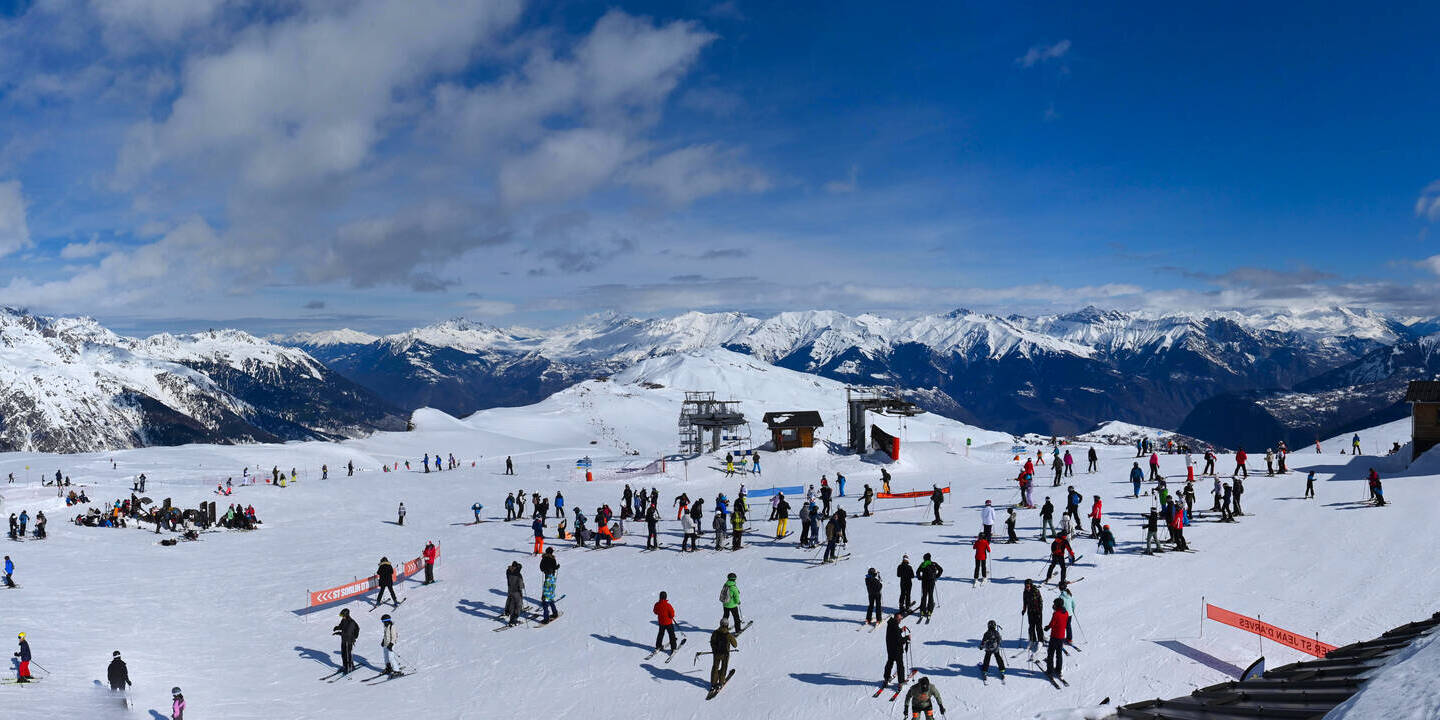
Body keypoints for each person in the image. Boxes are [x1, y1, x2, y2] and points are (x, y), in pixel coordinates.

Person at [1043, 598, 1069, 679]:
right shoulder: (1066, 613)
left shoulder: (1056, 614)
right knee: (1059, 654)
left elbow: (1052, 623)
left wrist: (1047, 628)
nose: (1053, 605)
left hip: (1055, 636)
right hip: (1061, 636)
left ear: (1057, 605)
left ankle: (1049, 671)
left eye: (1054, 604)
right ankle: (1058, 670)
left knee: (1050, 654)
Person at [709, 620, 737, 693]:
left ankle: (713, 683)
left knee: (715, 667)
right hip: (725, 654)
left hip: (716, 654)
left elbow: (712, 642)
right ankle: (721, 683)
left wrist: (714, 650)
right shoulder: (728, 635)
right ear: (727, 625)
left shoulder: (715, 633)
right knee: (724, 668)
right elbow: (735, 645)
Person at [883, 613, 909, 685]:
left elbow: (894, 633)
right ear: (896, 618)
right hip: (897, 650)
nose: (900, 620)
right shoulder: (895, 627)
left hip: (890, 648)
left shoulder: (891, 624)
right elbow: (900, 641)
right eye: (899, 619)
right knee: (900, 665)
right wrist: (907, 638)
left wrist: (901, 630)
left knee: (889, 663)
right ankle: (901, 681)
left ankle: (886, 678)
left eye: (901, 619)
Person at [917, 553, 942, 618]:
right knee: (930, 595)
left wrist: (920, 577)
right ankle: (929, 610)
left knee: (924, 595)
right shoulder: (933, 564)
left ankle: (922, 610)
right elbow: (941, 570)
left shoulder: (923, 564)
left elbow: (917, 572)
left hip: (924, 582)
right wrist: (936, 576)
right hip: (931, 582)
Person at [1021, 579, 1044, 647]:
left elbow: (1040, 601)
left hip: (1037, 611)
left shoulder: (1036, 591)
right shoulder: (1025, 592)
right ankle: (1033, 640)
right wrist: (1024, 610)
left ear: (1031, 585)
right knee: (1031, 627)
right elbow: (1025, 602)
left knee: (1038, 627)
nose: (1027, 588)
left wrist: (1040, 611)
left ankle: (1040, 640)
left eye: (1028, 586)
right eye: (1026, 586)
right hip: (1030, 611)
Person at [504, 561, 525, 625]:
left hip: (510, 589)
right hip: (517, 591)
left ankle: (509, 615)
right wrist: (523, 585)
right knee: (518, 605)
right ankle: (513, 620)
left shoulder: (508, 571)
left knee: (512, 604)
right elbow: (521, 585)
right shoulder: (518, 574)